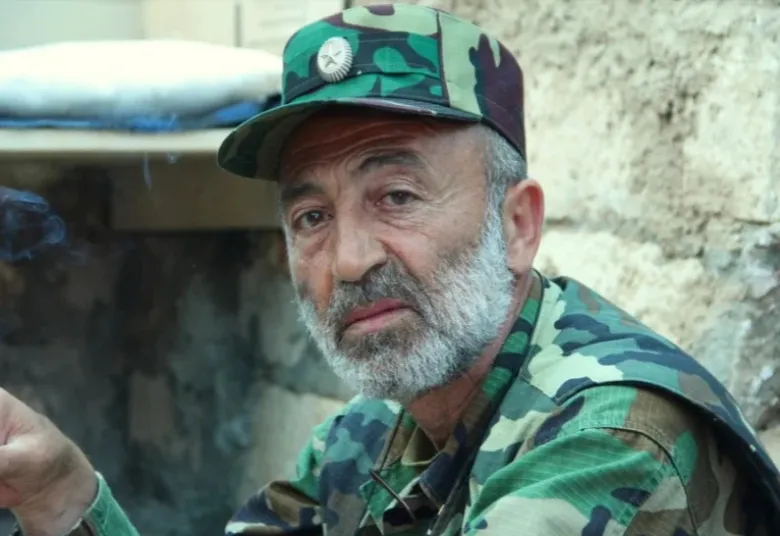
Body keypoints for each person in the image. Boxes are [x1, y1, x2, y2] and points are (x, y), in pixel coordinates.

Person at [2, 4, 779, 536]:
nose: (349, 260)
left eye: (397, 197)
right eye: (312, 217)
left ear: (516, 225)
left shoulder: (609, 443)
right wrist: (64, 493)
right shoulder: (370, 433)